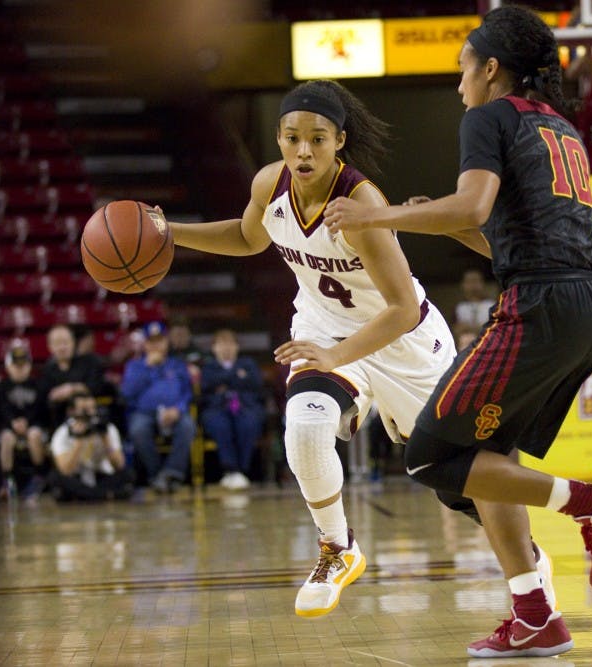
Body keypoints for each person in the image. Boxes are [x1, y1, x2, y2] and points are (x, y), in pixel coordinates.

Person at [323, 7, 592, 657]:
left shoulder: (487, 117)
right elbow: (494, 234)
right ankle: (535, 613)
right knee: (483, 462)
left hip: (542, 305)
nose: (459, 83)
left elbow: (470, 206)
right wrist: (424, 217)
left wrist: (377, 216)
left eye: (463, 68)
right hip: (588, 303)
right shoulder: (558, 126)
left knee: (431, 455)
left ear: (491, 69)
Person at [163, 78, 515, 619]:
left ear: (339, 141)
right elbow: (246, 238)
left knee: (459, 484)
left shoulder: (361, 202)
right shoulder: (268, 185)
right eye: (292, 137)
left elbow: (399, 310)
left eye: (318, 139)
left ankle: (530, 571)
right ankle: (338, 547)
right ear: (279, 140)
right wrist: (170, 234)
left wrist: (337, 356)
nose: (303, 150)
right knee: (303, 430)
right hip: (325, 329)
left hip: (406, 344)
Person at [120, 320, 196, 493]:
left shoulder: (177, 364)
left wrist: (178, 409)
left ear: (166, 342)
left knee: (188, 426)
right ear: (145, 344)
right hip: (144, 412)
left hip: (174, 411)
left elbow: (187, 392)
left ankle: (172, 472)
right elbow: (127, 393)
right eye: (151, 342)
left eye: (160, 341)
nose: (156, 346)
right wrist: (147, 367)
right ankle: (156, 475)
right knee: (138, 430)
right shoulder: (135, 366)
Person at [199, 328, 266, 490]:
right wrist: (236, 376)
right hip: (217, 408)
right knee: (220, 425)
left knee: (248, 423)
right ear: (214, 348)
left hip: (245, 406)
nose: (226, 348)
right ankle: (230, 468)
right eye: (221, 344)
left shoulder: (248, 364)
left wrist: (223, 382)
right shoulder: (208, 367)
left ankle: (241, 470)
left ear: (237, 347)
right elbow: (206, 386)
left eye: (230, 343)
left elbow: (256, 384)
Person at [48, 390, 133, 501]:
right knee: (55, 479)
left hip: (101, 476)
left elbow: (119, 465)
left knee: (128, 475)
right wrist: (78, 439)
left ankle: (86, 496)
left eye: (93, 409)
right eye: (84, 410)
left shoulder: (107, 428)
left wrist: (106, 439)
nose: (90, 414)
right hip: (76, 478)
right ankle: (106, 495)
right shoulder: (62, 433)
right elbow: (65, 470)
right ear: (71, 412)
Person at [0, 342, 48, 499]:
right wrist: (13, 422)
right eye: (16, 366)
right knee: (7, 438)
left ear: (29, 366)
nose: (20, 369)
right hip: (10, 425)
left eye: (23, 365)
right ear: (8, 366)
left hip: (33, 424)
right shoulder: (2, 386)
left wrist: (27, 422)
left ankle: (39, 476)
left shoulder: (38, 385)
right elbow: (2, 408)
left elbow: (39, 408)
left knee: (34, 435)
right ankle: (7, 479)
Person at [38, 324, 105, 430]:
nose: (62, 347)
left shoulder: (90, 362)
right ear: (49, 346)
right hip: (58, 419)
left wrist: (73, 389)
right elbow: (44, 395)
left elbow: (97, 387)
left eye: (65, 342)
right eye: (57, 343)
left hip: (89, 416)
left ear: (74, 343)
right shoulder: (47, 370)